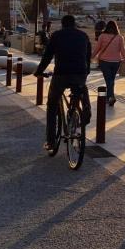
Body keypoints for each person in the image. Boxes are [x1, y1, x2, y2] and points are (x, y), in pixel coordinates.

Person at [34, 14, 92, 149]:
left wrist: (38, 72)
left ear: (62, 24)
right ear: (74, 24)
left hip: (61, 74)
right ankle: (84, 112)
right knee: (81, 89)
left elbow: (47, 56)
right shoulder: (83, 35)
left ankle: (51, 141)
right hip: (80, 73)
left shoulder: (57, 35)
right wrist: (86, 71)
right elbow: (88, 57)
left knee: (52, 105)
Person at [93, 20, 125, 106]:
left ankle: (110, 97)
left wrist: (90, 57)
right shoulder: (119, 37)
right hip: (116, 62)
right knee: (111, 79)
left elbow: (97, 48)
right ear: (116, 27)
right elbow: (123, 51)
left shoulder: (102, 36)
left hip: (104, 62)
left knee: (108, 79)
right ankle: (110, 96)